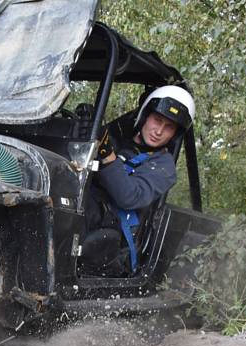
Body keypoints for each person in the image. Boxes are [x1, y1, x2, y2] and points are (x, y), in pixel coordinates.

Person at [83, 85, 196, 275]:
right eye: (157, 120)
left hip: (114, 238)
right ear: (145, 116)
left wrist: (107, 155)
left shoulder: (164, 167)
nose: (159, 131)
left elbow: (130, 197)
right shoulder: (118, 136)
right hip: (87, 208)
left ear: (174, 134)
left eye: (168, 127)